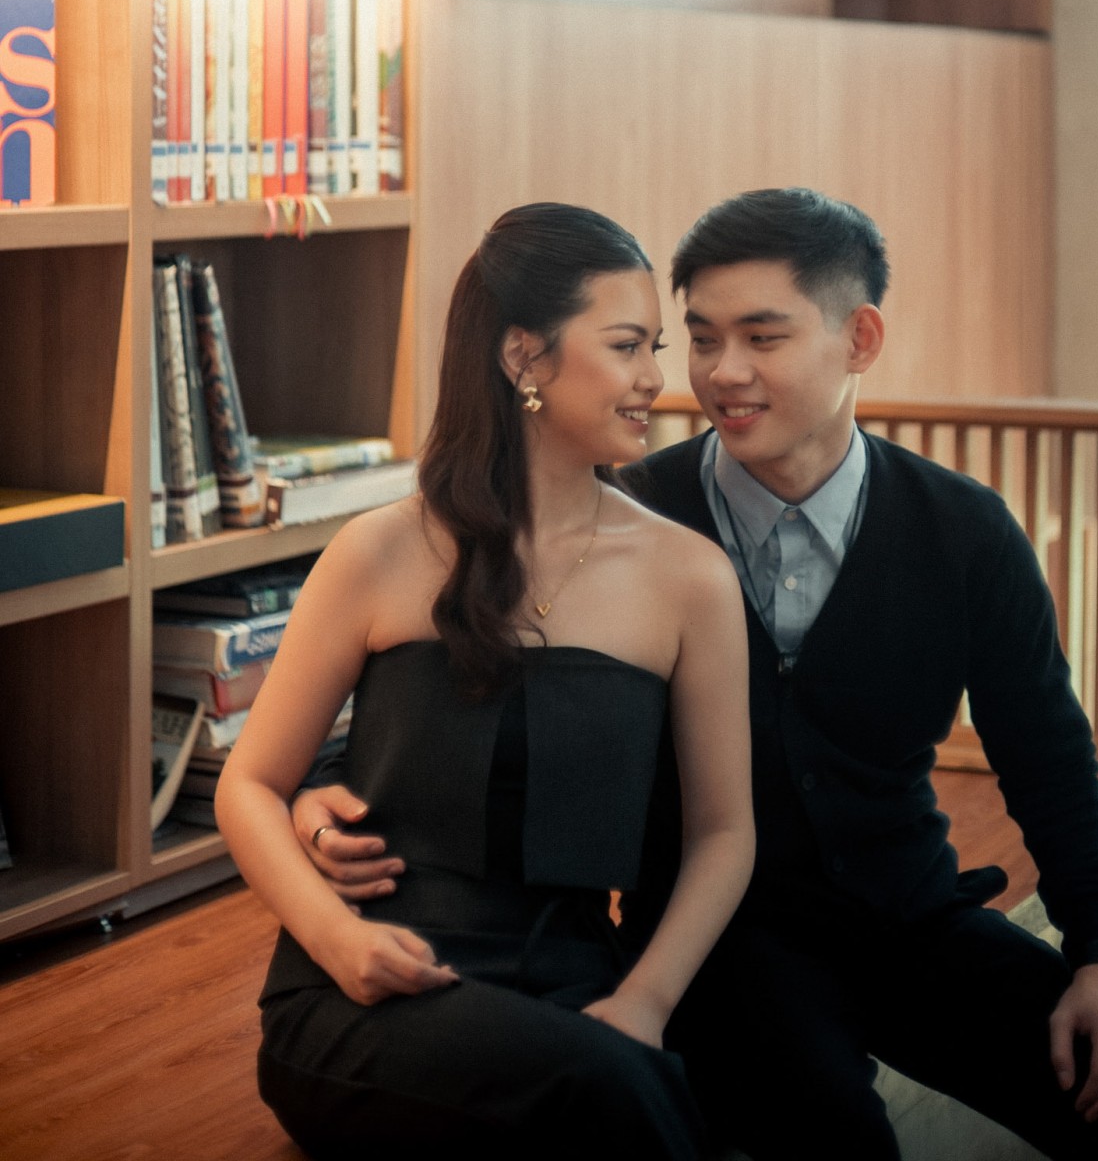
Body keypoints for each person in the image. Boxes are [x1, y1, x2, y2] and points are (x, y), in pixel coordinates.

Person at [294, 187, 1098, 1159]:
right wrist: (324, 791)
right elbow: (480, 711)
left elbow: (1045, 752)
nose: (719, 372)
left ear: (858, 338)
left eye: (761, 338)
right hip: (719, 948)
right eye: (700, 339)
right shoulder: (623, 524)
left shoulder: (962, 531)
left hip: (910, 918)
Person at [217, 202, 754, 1161]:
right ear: (522, 356)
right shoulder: (379, 551)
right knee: (609, 1092)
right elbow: (249, 784)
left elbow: (724, 833)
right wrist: (340, 942)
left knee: (627, 1080)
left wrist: (645, 999)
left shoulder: (690, 578)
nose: (655, 379)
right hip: (368, 987)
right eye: (627, 346)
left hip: (573, 976)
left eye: (655, 348)